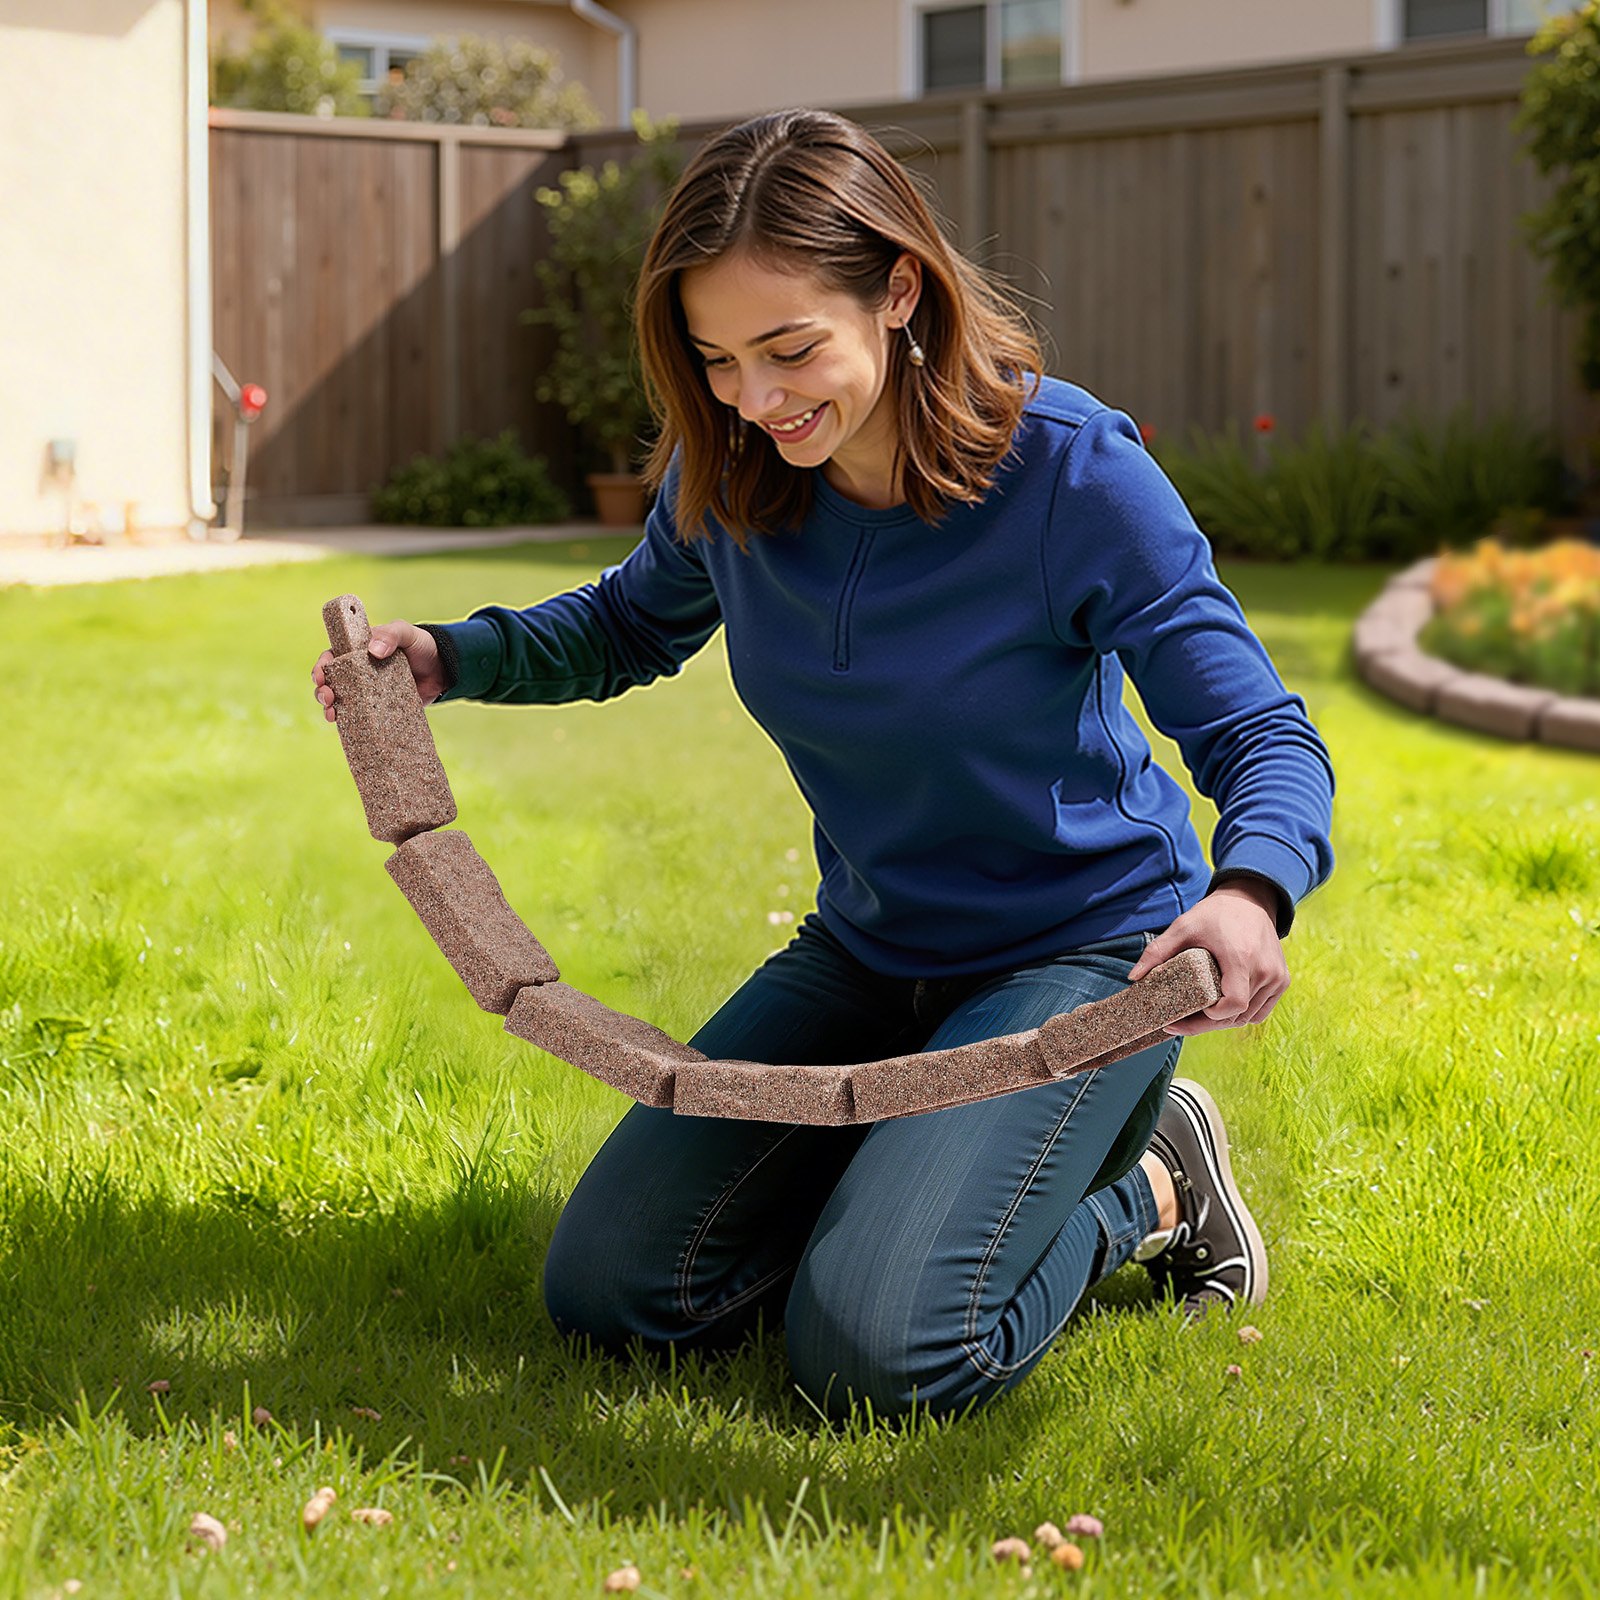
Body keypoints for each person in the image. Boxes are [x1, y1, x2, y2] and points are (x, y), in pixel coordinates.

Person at [312, 108, 1335, 1425]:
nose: (755, 399)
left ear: (900, 291)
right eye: (717, 360)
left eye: (790, 350)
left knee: (876, 1357)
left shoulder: (1074, 478)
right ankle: (900, 1198)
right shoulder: (733, 471)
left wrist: (1250, 892)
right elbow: (628, 625)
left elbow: (1261, 733)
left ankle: (1149, 1193)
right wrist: (451, 657)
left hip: (1082, 959)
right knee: (616, 1291)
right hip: (867, 950)